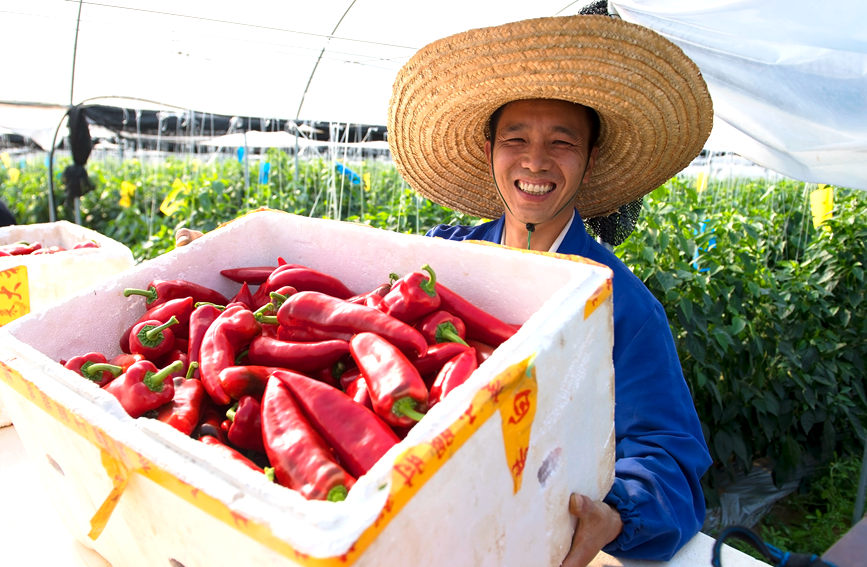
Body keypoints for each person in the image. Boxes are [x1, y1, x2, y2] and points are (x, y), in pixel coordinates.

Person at [177, 7, 714, 567]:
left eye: (562, 142)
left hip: (526, 533)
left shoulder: (618, 304)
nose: (534, 159)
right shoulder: (442, 255)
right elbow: (347, 309)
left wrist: (620, 513)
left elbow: (667, 459)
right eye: (515, 138)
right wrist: (227, 265)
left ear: (588, 159)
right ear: (490, 152)